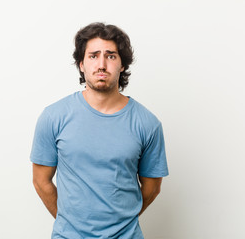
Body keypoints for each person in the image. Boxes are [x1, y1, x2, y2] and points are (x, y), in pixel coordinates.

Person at [30, 22, 169, 239]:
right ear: (81, 64)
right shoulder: (53, 117)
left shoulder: (147, 123)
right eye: (93, 56)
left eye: (111, 56)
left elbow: (151, 188)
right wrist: (70, 224)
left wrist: (122, 223)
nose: (101, 64)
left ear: (122, 64)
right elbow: (41, 181)